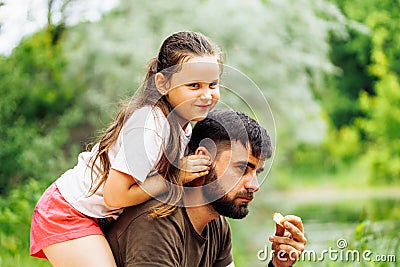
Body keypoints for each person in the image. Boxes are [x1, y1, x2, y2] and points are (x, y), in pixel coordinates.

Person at [30, 31, 223, 267]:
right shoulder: (150, 125)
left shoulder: (184, 129)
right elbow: (115, 196)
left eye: (212, 84)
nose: (206, 95)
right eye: (194, 85)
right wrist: (176, 176)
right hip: (69, 212)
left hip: (104, 218)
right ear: (163, 83)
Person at [106, 109, 307, 267]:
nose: (253, 185)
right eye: (241, 168)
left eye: (257, 173)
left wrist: (278, 265)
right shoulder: (156, 223)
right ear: (204, 157)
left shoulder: (216, 225)